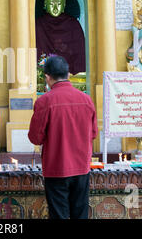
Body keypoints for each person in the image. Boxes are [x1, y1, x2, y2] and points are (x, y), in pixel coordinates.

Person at [28, 56, 98, 219]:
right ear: (68, 74)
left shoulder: (44, 101)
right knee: (80, 214)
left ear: (47, 77)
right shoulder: (86, 100)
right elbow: (93, 134)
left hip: (56, 168)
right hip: (81, 168)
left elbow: (35, 138)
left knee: (59, 215)